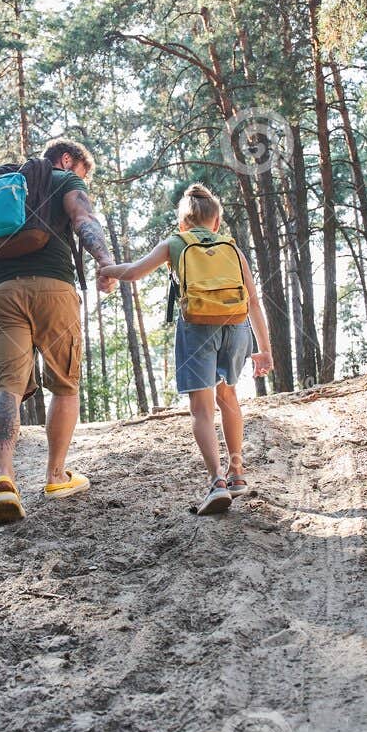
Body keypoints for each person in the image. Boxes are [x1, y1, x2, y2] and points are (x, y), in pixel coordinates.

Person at [99, 183, 273, 515]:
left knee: (202, 409)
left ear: (182, 223)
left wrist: (107, 271)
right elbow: (252, 300)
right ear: (216, 221)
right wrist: (264, 348)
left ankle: (216, 482)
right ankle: (236, 472)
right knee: (228, 397)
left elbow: (134, 272)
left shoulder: (175, 243)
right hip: (236, 327)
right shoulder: (232, 248)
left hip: (197, 328)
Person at [0, 140, 116, 526]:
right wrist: (105, 261)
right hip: (54, 288)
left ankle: (4, 476)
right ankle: (56, 476)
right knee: (65, 385)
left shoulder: (2, 185)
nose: (81, 179)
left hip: (1, 291)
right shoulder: (65, 178)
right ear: (68, 159)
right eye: (82, 172)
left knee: (6, 388)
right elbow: (82, 219)